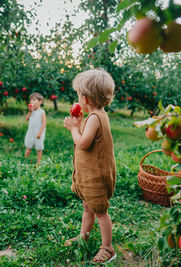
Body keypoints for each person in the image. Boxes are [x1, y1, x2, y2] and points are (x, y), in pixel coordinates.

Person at [63, 68, 117, 264]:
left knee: (100, 212)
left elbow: (83, 143)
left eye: (78, 94)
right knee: (88, 208)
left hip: (97, 177)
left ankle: (108, 248)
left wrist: (73, 128)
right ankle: (83, 237)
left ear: (85, 98)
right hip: (89, 175)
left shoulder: (95, 118)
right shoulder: (94, 116)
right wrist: (80, 122)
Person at [24, 92, 46, 164]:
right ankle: (25, 159)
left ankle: (38, 162)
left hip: (38, 132)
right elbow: (26, 119)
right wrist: (30, 111)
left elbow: (43, 123)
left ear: (40, 101)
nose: (31, 102)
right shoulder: (32, 111)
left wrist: (40, 133)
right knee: (28, 146)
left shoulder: (42, 112)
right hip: (30, 131)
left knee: (39, 148)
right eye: (31, 100)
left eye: (34, 100)